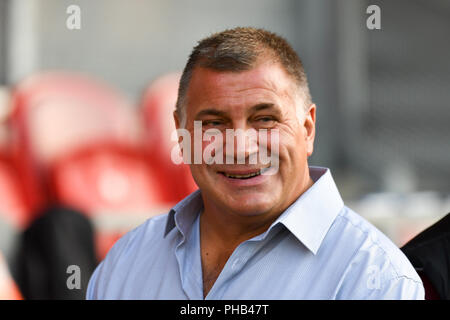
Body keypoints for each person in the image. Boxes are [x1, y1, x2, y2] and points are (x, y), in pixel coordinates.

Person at [86, 27, 424, 299]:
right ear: (181, 132)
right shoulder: (128, 259)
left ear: (307, 129)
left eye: (265, 119)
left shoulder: (375, 280)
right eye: (214, 123)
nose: (241, 148)